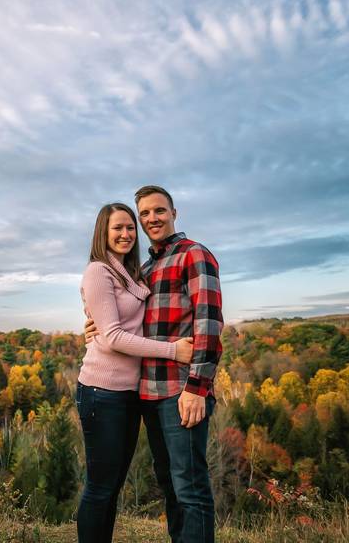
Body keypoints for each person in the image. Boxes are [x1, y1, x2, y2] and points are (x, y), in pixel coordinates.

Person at [85, 185, 222, 543]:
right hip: (147, 392)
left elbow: (209, 323)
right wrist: (92, 327)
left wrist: (197, 388)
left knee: (190, 488)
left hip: (182, 391)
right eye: (144, 214)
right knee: (171, 487)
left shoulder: (194, 255)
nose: (151, 219)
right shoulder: (145, 267)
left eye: (158, 211)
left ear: (174, 212)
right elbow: (122, 324)